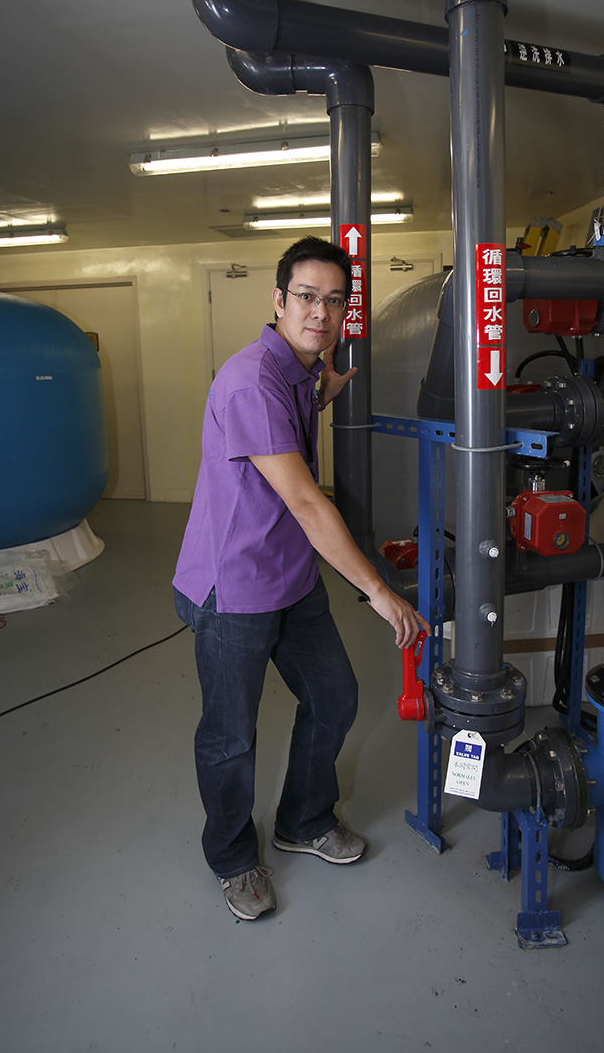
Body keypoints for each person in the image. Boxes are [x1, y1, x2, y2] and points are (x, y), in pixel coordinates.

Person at [173, 235, 428, 921]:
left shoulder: (299, 372)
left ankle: (303, 820)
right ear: (279, 299)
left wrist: (323, 394)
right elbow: (310, 504)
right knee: (231, 735)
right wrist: (378, 591)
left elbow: (295, 415)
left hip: (289, 573)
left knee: (334, 696)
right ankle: (232, 857)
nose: (321, 311)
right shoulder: (251, 380)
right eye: (307, 296)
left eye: (335, 300)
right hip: (234, 587)